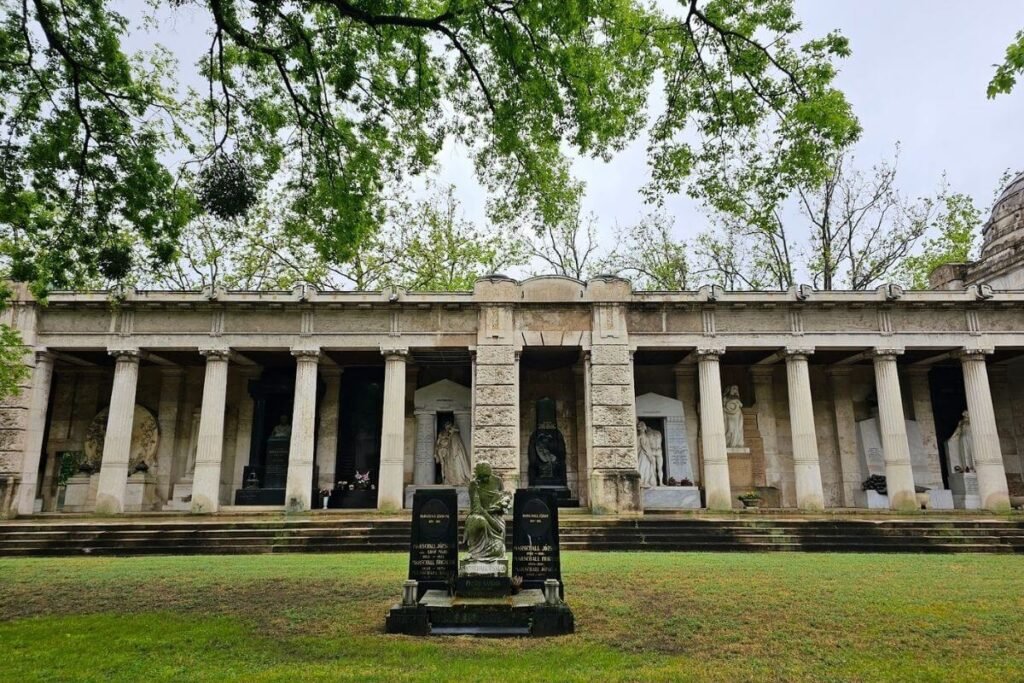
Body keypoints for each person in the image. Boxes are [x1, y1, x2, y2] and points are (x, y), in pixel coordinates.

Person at [463, 461, 510, 561]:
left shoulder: (498, 481)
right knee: (477, 521)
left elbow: (503, 498)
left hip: (496, 516)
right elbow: (476, 508)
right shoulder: (473, 485)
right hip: (479, 514)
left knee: (497, 549)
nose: (486, 478)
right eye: (482, 476)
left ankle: (495, 548)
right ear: (477, 475)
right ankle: (474, 552)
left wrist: (500, 507)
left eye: (487, 475)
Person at [636, 421, 663, 488]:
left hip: (646, 454)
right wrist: (649, 455)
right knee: (644, 467)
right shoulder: (642, 436)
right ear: (644, 428)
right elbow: (644, 446)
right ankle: (643, 482)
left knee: (646, 468)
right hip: (644, 454)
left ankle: (645, 482)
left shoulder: (643, 435)